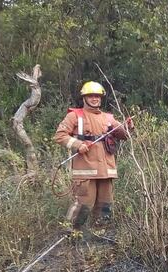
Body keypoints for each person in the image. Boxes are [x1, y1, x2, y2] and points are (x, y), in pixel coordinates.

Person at [54, 81, 133, 234]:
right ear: (84, 97)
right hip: (85, 171)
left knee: (105, 205)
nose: (94, 98)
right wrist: (78, 144)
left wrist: (128, 127)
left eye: (97, 96)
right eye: (91, 96)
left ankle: (99, 234)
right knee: (84, 205)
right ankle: (70, 234)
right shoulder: (74, 116)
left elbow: (124, 136)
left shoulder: (108, 118)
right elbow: (59, 136)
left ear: (101, 98)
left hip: (106, 170)